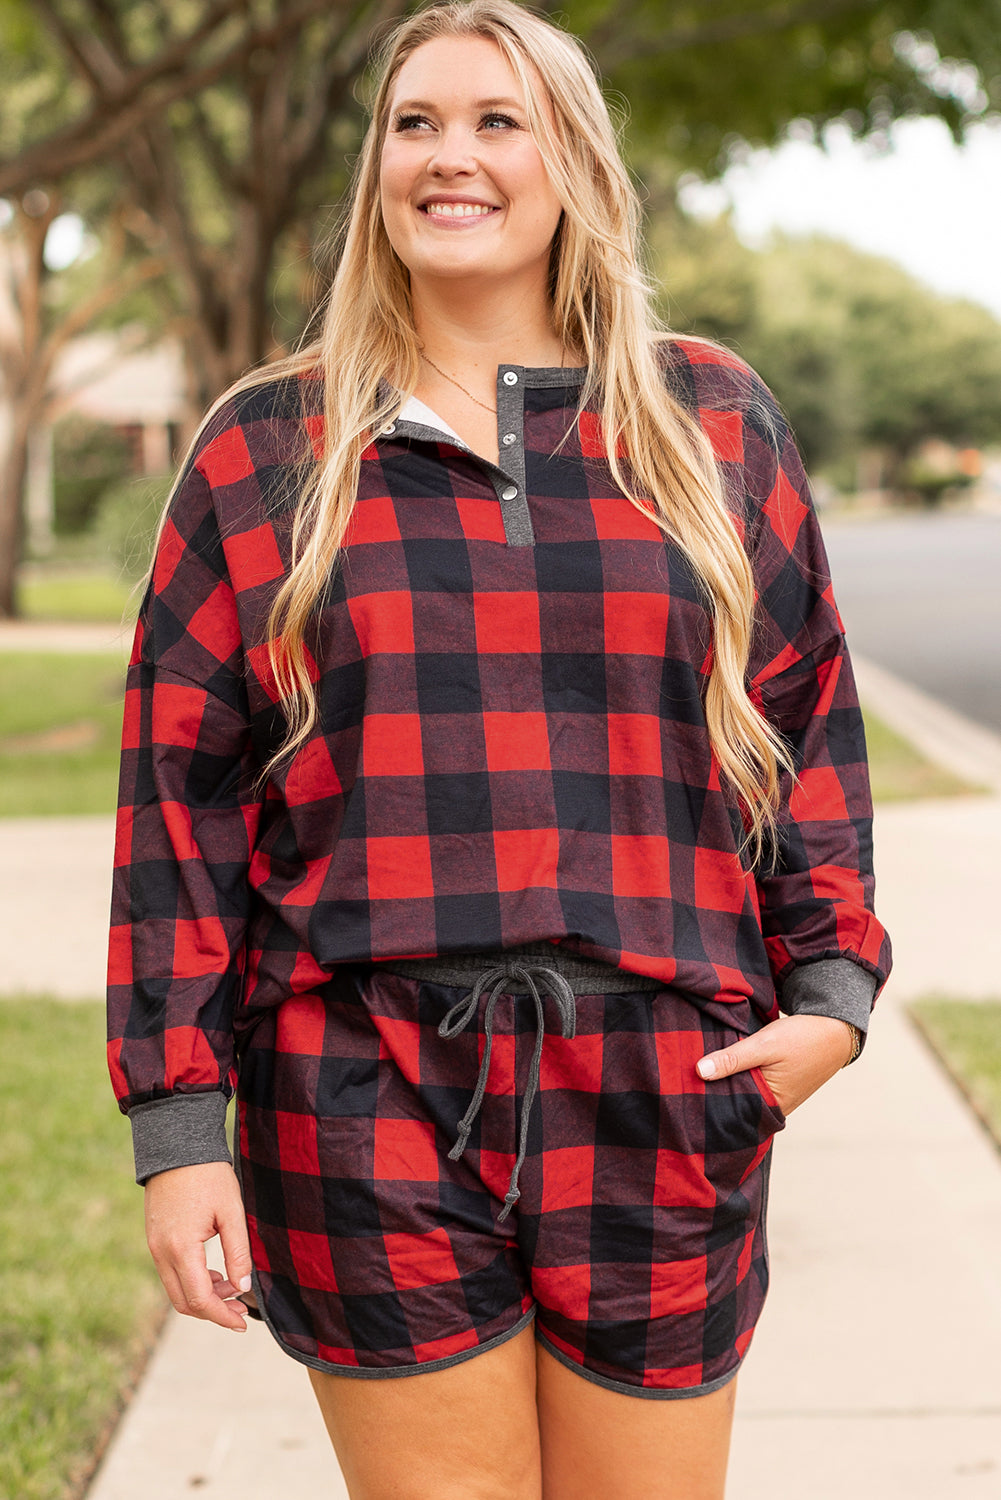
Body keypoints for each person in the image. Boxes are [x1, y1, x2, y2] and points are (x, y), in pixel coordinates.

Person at [107, 2, 891, 1495]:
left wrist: (835, 1001)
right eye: (415, 123)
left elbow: (807, 742)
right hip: (360, 1087)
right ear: (374, 171)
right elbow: (178, 816)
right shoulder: (265, 448)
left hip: (665, 1081)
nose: (448, 156)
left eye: (494, 119)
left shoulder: (708, 421)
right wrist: (177, 1126)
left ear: (570, 161)